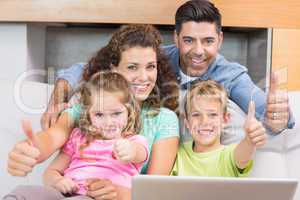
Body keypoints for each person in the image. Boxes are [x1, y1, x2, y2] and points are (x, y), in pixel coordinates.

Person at [40, 0, 294, 141]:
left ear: (220, 39)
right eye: (188, 40)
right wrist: (58, 96)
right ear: (176, 37)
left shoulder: (231, 75)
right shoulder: (156, 60)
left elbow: (268, 112)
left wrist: (278, 118)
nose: (198, 51)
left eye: (207, 41)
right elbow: (81, 69)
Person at [7, 25, 179, 199]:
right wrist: (31, 149)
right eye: (132, 67)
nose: (143, 77)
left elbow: (155, 193)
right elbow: (53, 137)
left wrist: (117, 193)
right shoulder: (86, 108)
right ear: (114, 69)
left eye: (150, 67)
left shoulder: (164, 119)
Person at [4, 72, 148, 200]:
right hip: (63, 192)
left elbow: (139, 153)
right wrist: (57, 181)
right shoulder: (78, 137)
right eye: (99, 114)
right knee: (22, 192)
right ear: (88, 115)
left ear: (129, 112)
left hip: (95, 197)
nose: (109, 122)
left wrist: (129, 150)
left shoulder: (134, 141)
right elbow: (51, 172)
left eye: (117, 113)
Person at [171, 80, 267, 176]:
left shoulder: (230, 154)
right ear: (187, 122)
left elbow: (243, 155)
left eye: (212, 115)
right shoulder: (178, 153)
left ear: (225, 119)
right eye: (196, 115)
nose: (204, 121)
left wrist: (249, 140)